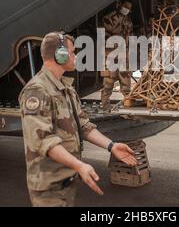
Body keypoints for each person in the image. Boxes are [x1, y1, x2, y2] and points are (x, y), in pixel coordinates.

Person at [18, 32, 137, 207]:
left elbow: (84, 126)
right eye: (72, 52)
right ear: (59, 55)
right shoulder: (37, 91)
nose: (75, 56)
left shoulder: (66, 88)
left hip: (66, 180)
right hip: (49, 185)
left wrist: (112, 146)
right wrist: (80, 165)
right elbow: (44, 141)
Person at [101, 1, 134, 112]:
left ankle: (127, 103)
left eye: (128, 8)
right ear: (120, 6)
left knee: (125, 79)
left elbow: (129, 35)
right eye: (125, 7)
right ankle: (105, 106)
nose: (127, 10)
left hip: (124, 52)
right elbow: (108, 31)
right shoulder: (110, 17)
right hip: (110, 52)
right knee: (109, 81)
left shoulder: (128, 20)